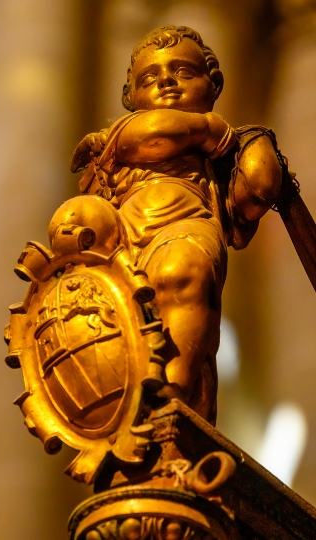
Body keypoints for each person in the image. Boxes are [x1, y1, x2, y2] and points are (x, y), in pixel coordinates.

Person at [69, 25, 283, 425]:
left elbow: (259, 189)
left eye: (183, 72)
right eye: (149, 78)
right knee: (76, 222)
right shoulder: (122, 133)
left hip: (188, 225)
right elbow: (152, 135)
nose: (166, 81)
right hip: (122, 238)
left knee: (183, 272)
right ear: (131, 98)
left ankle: (173, 391)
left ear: (212, 83)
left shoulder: (230, 150)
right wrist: (211, 129)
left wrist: (256, 146)